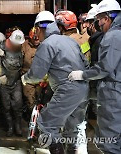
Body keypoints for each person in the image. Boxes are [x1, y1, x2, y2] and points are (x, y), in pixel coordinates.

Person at [21, 11, 89, 154]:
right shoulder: (70, 41)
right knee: (73, 127)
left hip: (67, 90)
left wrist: (25, 78)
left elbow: (36, 75)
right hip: (83, 89)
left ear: (38, 29)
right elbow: (84, 64)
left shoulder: (47, 44)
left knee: (46, 123)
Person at [68, 0, 121, 153]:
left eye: (98, 19)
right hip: (114, 89)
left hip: (113, 92)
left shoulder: (112, 37)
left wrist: (82, 74)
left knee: (109, 140)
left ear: (107, 17)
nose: (97, 24)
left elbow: (105, 67)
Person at [55, 10, 91, 154]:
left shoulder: (61, 42)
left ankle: (73, 150)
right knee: (80, 124)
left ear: (62, 26)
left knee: (69, 128)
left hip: (67, 89)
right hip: (83, 88)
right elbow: (87, 62)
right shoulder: (84, 40)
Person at [0, 29, 25, 137]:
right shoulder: (2, 46)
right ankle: (10, 127)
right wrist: (0, 74)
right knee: (6, 106)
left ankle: (17, 126)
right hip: (4, 81)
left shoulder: (22, 48)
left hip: (16, 81)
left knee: (18, 105)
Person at [22, 27, 40, 112]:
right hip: (28, 77)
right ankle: (32, 119)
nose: (37, 41)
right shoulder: (24, 46)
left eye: (38, 39)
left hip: (42, 78)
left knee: (42, 100)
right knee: (30, 101)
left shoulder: (45, 45)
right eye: (34, 39)